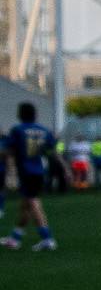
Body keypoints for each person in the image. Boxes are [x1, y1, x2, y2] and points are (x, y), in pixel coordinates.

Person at [4, 102, 54, 251]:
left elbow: (10, 150)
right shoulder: (44, 130)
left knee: (32, 203)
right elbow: (52, 149)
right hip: (39, 169)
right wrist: (65, 169)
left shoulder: (18, 130)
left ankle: (47, 238)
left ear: (20, 114)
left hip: (26, 170)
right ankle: (15, 238)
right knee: (25, 205)